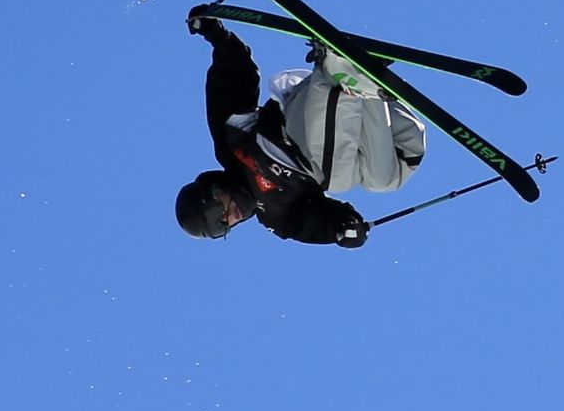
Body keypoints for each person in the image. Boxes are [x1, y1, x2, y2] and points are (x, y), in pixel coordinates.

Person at [174, 13, 426, 246]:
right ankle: (366, 84)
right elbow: (312, 223)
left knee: (333, 177)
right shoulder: (275, 216)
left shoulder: (231, 145)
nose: (228, 219)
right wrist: (342, 226)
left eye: (215, 214)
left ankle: (335, 68)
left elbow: (234, 81)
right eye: (221, 229)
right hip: (347, 129)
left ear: (212, 191)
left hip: (304, 114)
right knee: (388, 176)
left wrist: (217, 36)